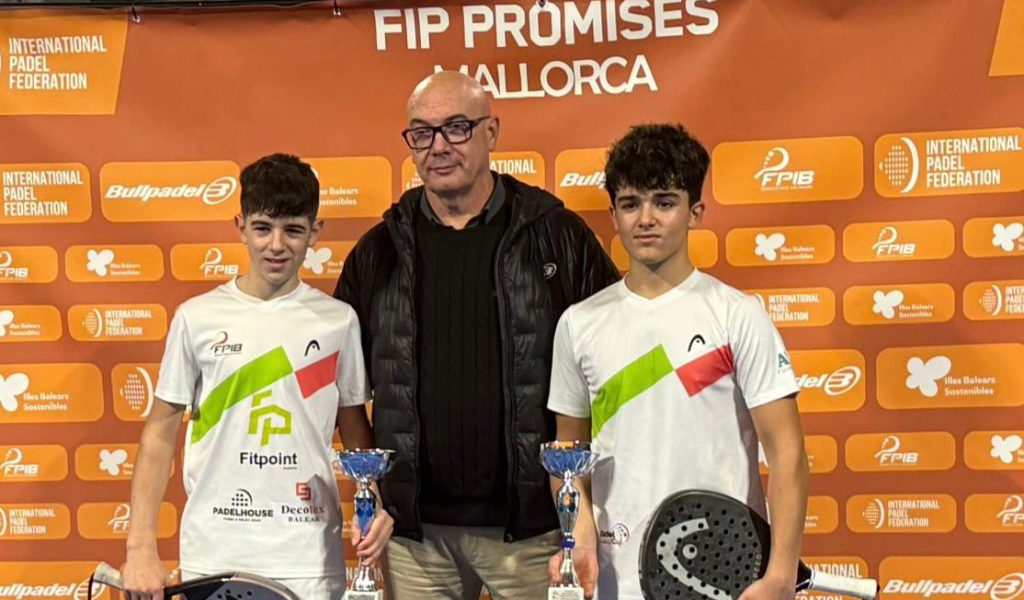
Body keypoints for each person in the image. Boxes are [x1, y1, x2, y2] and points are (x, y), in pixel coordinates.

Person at [334, 71, 621, 600]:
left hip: (536, 530)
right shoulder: (377, 252)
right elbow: (344, 388)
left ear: (492, 132)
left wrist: (581, 504)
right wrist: (372, 493)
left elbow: (612, 365)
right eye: (423, 133)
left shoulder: (558, 236)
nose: (439, 146)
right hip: (415, 540)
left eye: (457, 128)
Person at [546, 124, 809, 600]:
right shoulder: (578, 323)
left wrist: (780, 576)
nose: (646, 219)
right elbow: (569, 453)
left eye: (664, 202)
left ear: (695, 213)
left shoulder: (738, 315)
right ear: (614, 215)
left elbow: (787, 453)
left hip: (723, 574)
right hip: (613, 579)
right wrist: (577, 530)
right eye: (631, 204)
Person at [122, 153, 389, 600]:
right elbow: (159, 435)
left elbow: (355, 432)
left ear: (316, 231)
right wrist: (140, 547)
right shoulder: (197, 318)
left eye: (293, 230)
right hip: (215, 553)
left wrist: (374, 506)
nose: (276, 245)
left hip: (308, 557)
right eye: (263, 228)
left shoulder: (338, 321)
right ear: (240, 226)